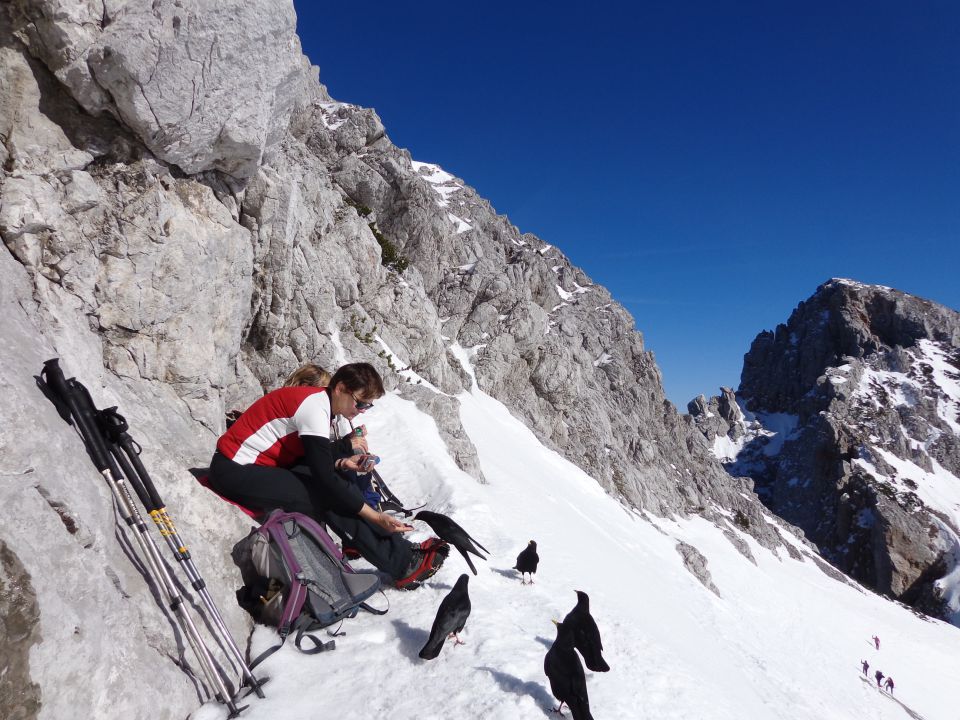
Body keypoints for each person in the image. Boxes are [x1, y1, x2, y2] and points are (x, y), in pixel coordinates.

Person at [209, 361, 447, 590]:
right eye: (360, 403)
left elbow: (314, 458)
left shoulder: (322, 404)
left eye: (368, 406)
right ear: (341, 388)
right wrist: (373, 516)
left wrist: (343, 462)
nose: (362, 411)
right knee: (326, 493)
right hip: (234, 470)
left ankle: (390, 551)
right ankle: (402, 563)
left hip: (260, 467)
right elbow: (324, 478)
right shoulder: (314, 408)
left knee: (335, 480)